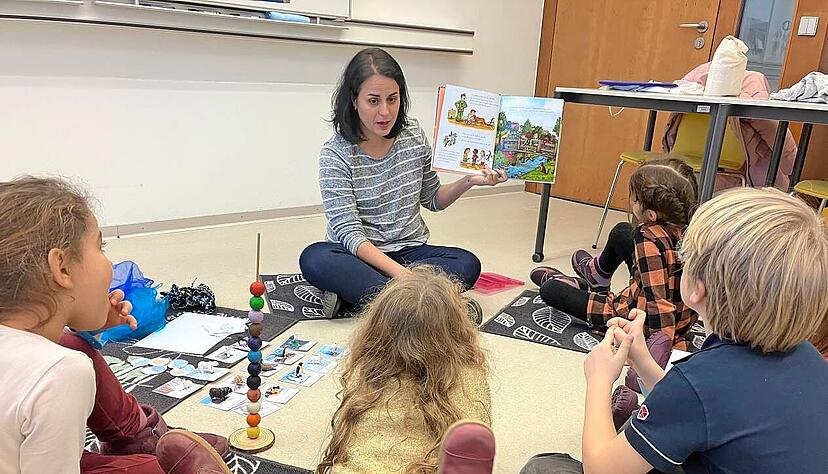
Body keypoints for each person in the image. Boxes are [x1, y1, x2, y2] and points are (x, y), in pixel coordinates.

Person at [522, 187, 828, 474]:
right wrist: (643, 362)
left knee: (544, 467)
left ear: (697, 289)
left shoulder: (698, 381)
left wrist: (599, 380)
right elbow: (705, 408)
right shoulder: (810, 357)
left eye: (684, 254)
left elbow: (602, 470)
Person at [0, 176, 230, 474]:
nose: (110, 264)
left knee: (71, 343)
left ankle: (138, 437)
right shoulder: (61, 372)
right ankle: (143, 446)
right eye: (101, 246)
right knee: (151, 469)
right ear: (63, 267)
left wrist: (82, 320)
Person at [299, 48, 507, 318]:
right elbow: (349, 235)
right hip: (359, 255)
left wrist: (468, 180)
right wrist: (408, 279)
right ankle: (426, 302)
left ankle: (374, 300)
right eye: (373, 101)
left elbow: (432, 199)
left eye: (392, 99)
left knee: (466, 263)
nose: (385, 111)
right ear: (354, 100)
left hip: (410, 251)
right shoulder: (335, 153)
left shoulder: (413, 135)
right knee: (315, 258)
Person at [316, 266, 491, 474]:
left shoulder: (365, 370)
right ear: (456, 330)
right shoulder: (468, 375)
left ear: (375, 330)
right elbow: (477, 434)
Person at [531, 159, 698, 350]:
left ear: (651, 214)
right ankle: (598, 275)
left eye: (635, 200)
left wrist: (661, 347)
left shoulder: (648, 238)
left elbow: (658, 303)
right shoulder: (696, 230)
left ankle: (575, 285)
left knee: (550, 290)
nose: (632, 203)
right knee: (622, 232)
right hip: (681, 317)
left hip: (636, 317)